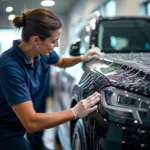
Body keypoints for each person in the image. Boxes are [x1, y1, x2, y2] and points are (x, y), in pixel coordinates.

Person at [0, 8, 101, 150]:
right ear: (36, 40)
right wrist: (74, 112)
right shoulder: (9, 66)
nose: (57, 45)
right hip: (5, 131)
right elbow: (31, 122)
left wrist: (83, 57)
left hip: (19, 126)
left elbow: (61, 62)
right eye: (54, 41)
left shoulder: (41, 53)